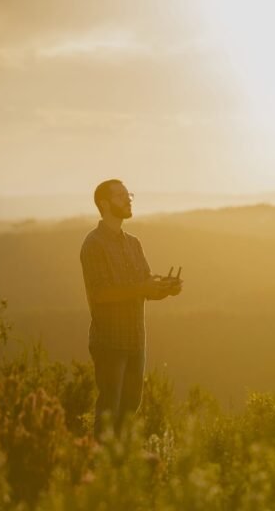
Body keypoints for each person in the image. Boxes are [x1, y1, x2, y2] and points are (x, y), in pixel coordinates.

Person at [80, 179, 182, 439]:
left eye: (129, 194)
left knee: (129, 410)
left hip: (136, 340)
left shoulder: (133, 243)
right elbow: (101, 294)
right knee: (109, 411)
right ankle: (102, 466)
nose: (128, 199)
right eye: (121, 195)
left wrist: (166, 288)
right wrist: (143, 288)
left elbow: (144, 287)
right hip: (110, 341)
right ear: (104, 203)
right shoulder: (94, 244)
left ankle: (120, 466)